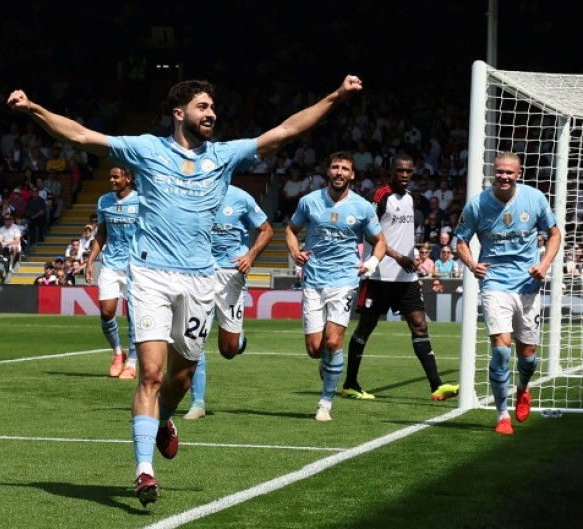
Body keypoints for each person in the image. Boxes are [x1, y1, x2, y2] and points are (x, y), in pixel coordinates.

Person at [9, 73, 362, 506]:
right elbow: (82, 135)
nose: (211, 113)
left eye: (213, 107)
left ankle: (162, 422)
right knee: (152, 373)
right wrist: (34, 110)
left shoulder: (224, 156)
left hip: (201, 279)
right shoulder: (146, 149)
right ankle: (144, 471)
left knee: (181, 376)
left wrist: (336, 96)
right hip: (151, 275)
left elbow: (285, 131)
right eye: (202, 107)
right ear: (179, 114)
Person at [455, 151, 561, 435]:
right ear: (494, 171)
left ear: (519, 173)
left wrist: (544, 264)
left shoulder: (535, 199)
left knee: (528, 356)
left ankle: (523, 390)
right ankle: (502, 415)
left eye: (509, 172)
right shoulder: (477, 204)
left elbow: (554, 234)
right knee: (501, 351)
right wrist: (472, 264)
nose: (503, 176)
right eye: (499, 171)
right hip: (494, 283)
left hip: (528, 284)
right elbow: (460, 241)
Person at [341, 154, 459, 403]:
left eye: (408, 171)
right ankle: (350, 383)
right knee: (365, 328)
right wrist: (396, 256)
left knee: (419, 325)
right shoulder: (379, 196)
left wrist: (410, 257)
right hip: (379, 276)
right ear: (391, 172)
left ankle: (437, 386)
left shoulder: (409, 199)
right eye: (400, 171)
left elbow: (400, 233)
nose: (404, 175)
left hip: (405, 277)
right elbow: (370, 232)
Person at [284, 151, 386, 422]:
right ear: (328, 171)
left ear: (352, 175)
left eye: (345, 169)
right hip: (314, 279)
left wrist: (372, 263)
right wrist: (295, 252)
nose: (339, 172)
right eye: (335, 167)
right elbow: (291, 230)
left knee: (333, 340)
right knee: (315, 349)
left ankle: (325, 402)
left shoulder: (362, 207)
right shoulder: (309, 202)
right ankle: (327, 365)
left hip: (344, 280)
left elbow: (380, 241)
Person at [184, 185, 273, 420]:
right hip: (199, 273)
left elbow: (266, 230)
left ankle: (239, 338)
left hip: (230, 275)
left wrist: (249, 256)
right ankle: (197, 403)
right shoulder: (193, 194)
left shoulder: (241, 197)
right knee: (195, 338)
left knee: (228, 350)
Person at [84, 165, 140, 380]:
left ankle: (133, 363)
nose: (112, 180)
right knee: (106, 312)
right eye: (110, 176)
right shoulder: (104, 201)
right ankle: (118, 353)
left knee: (135, 317)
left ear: (128, 178)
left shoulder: (141, 202)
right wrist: (90, 261)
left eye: (116, 177)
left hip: (136, 267)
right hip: (111, 264)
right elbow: (102, 233)